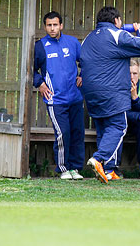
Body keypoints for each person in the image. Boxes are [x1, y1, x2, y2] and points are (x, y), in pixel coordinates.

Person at [80, 6, 140, 183]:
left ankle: (109, 169)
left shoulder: (87, 39)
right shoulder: (117, 34)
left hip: (90, 92)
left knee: (104, 130)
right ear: (117, 21)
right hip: (111, 92)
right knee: (119, 127)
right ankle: (98, 159)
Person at [33, 11, 85, 180]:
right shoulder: (40, 46)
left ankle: (75, 169)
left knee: (77, 132)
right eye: (49, 25)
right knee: (63, 133)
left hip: (75, 97)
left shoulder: (72, 42)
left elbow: (84, 61)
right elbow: (31, 69)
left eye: (55, 25)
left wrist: (82, 74)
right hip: (55, 99)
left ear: (61, 25)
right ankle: (63, 169)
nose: (52, 28)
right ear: (45, 26)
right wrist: (39, 83)